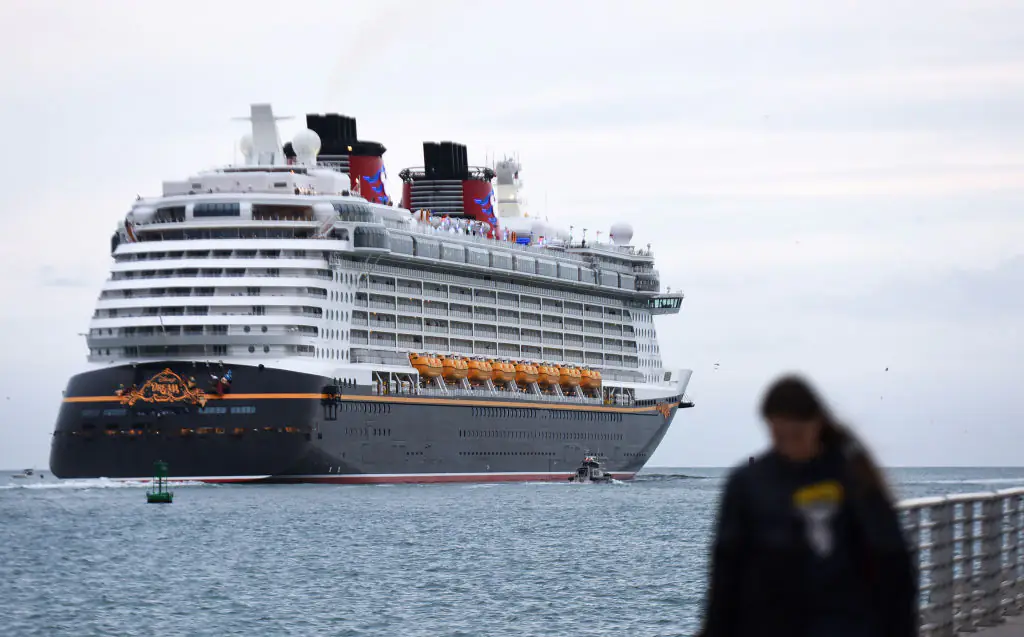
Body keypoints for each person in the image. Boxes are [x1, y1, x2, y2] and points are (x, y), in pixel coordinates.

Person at [697, 375, 918, 637]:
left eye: (797, 435)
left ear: (817, 424)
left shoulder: (854, 479)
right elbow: (725, 578)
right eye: (780, 435)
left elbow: (894, 567)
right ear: (769, 425)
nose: (790, 445)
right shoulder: (747, 485)